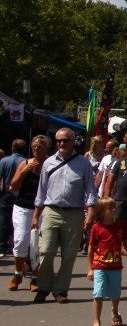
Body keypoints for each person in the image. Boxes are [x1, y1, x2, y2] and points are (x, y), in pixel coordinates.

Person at [31, 129, 98, 303]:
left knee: (69, 255)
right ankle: (43, 287)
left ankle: (60, 290)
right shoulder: (48, 163)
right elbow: (41, 190)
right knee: (46, 251)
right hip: (51, 211)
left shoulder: (83, 164)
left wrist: (90, 212)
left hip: (74, 213)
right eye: (58, 141)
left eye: (65, 140)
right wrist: (35, 216)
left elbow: (90, 190)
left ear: (73, 141)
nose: (62, 144)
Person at [85, 197, 127, 326]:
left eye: (113, 207)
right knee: (98, 293)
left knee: (115, 293)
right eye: (109, 208)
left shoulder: (120, 225)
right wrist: (90, 268)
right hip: (99, 266)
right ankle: (96, 321)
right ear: (101, 211)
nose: (113, 209)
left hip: (115, 267)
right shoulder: (96, 227)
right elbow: (91, 248)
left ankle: (115, 311)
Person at [7, 136, 48, 291]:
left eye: (40, 147)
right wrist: (24, 172)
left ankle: (35, 277)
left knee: (37, 244)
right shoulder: (25, 163)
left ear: (46, 149)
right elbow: (13, 185)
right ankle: (18, 273)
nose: (36, 149)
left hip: (43, 209)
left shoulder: (50, 164)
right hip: (23, 208)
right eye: (34, 146)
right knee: (20, 241)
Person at [0, 138, 27, 257]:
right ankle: (15, 244)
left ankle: (2, 246)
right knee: (19, 221)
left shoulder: (4, 161)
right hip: (21, 193)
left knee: (4, 219)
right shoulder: (26, 162)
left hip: (6, 193)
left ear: (12, 148)